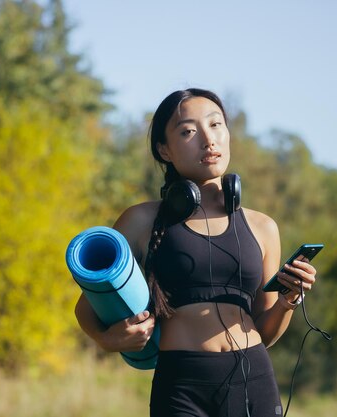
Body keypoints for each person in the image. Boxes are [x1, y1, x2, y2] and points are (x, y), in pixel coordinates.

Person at [74, 88, 318, 417]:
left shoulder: (263, 227)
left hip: (253, 380)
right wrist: (109, 340)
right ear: (164, 149)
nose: (208, 139)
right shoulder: (141, 220)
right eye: (188, 131)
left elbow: (266, 331)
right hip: (181, 385)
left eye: (216, 125)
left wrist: (288, 302)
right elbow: (86, 307)